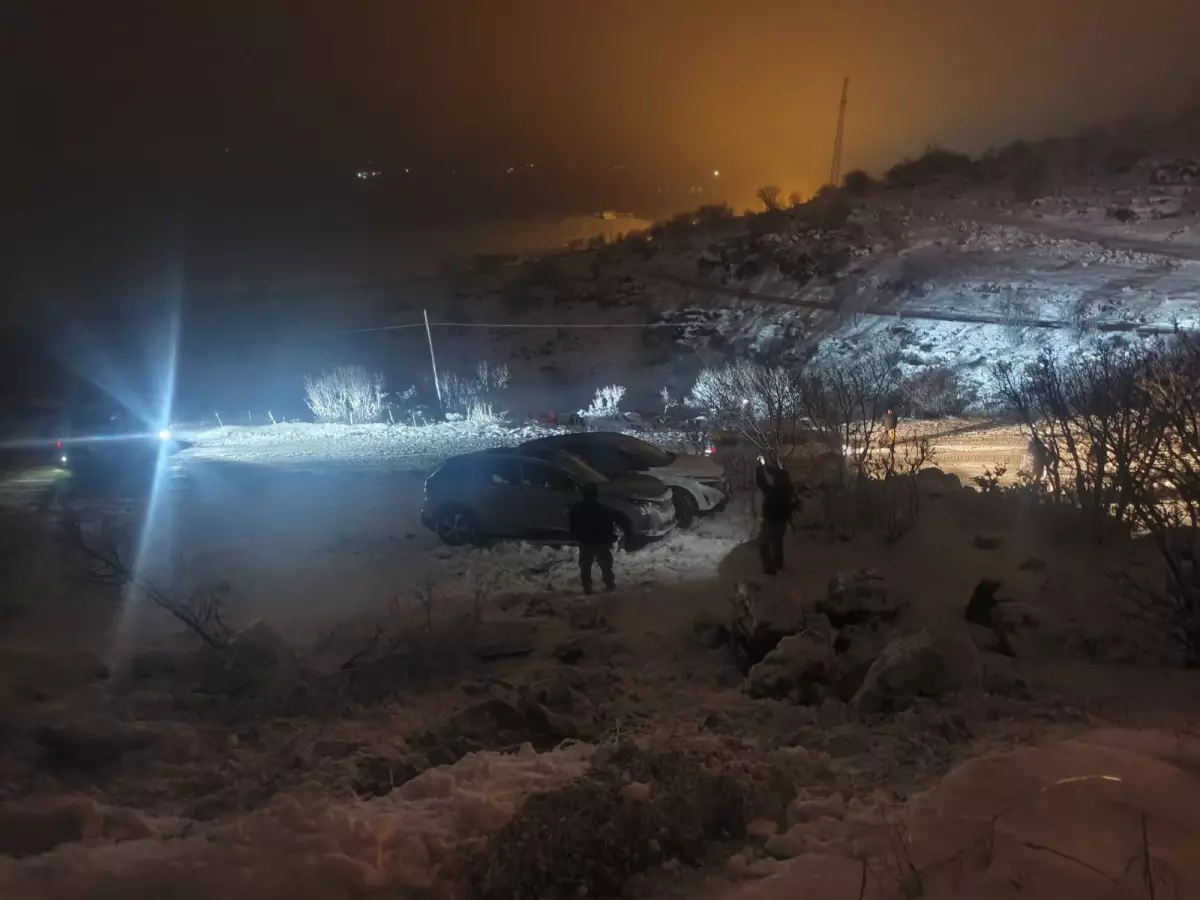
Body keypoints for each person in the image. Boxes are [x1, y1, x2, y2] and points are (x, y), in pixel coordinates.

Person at [569, 482, 617, 594]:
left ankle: (588, 588)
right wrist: (609, 539)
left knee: (586, 567)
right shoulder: (602, 509)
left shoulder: (578, 508)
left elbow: (573, 526)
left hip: (586, 542)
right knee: (605, 566)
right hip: (599, 542)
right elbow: (609, 527)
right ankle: (609, 585)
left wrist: (578, 536)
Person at [755, 456, 795, 575]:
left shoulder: (775, 491)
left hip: (771, 521)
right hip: (781, 522)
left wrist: (759, 468)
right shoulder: (787, 489)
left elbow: (762, 483)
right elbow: (777, 473)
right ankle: (779, 566)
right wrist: (767, 467)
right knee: (777, 544)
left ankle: (770, 569)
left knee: (764, 546)